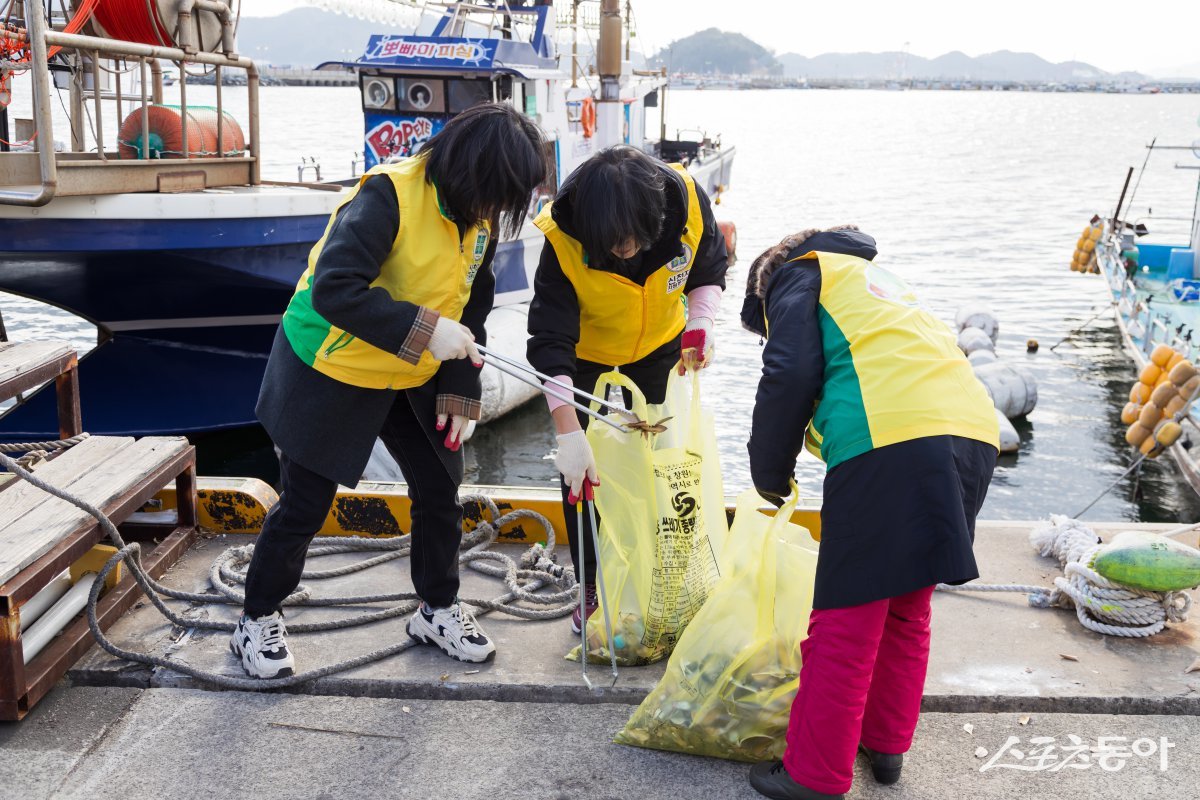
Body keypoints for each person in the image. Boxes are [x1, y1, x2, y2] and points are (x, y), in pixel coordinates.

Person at [230, 103, 546, 679]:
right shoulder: (388, 196)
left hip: (415, 369)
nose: (496, 210)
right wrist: (428, 331)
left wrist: (458, 388)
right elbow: (334, 288)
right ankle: (255, 621)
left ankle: (438, 609)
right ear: (470, 169)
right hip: (334, 360)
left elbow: (471, 303)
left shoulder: (476, 216)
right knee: (304, 505)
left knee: (440, 493)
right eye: (496, 195)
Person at [740, 226, 1000, 800]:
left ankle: (814, 775)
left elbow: (788, 372)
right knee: (906, 602)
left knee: (846, 617)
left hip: (891, 440)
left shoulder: (795, 275)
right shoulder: (873, 282)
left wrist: (768, 471)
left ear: (764, 289)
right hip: (972, 434)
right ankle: (885, 746)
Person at [527, 145, 729, 633]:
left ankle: (668, 574)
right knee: (585, 469)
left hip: (660, 340)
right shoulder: (563, 237)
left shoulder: (688, 206)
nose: (626, 250)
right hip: (587, 351)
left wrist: (699, 323)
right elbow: (550, 338)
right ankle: (591, 583)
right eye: (613, 242)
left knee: (667, 459)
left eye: (636, 238)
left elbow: (708, 270)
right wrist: (568, 434)